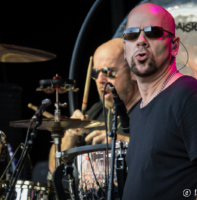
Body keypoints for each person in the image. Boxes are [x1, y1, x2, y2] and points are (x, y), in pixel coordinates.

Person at [122, 3, 197, 200]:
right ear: (125, 47)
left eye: (153, 32)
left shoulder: (188, 95)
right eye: (132, 34)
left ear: (175, 46)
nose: (141, 40)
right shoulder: (137, 112)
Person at [48, 38, 141, 173]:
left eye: (109, 72)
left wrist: (122, 144)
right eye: (95, 73)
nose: (100, 80)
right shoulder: (95, 113)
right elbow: (54, 168)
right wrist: (70, 134)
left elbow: (162, 157)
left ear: (133, 71)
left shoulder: (151, 110)